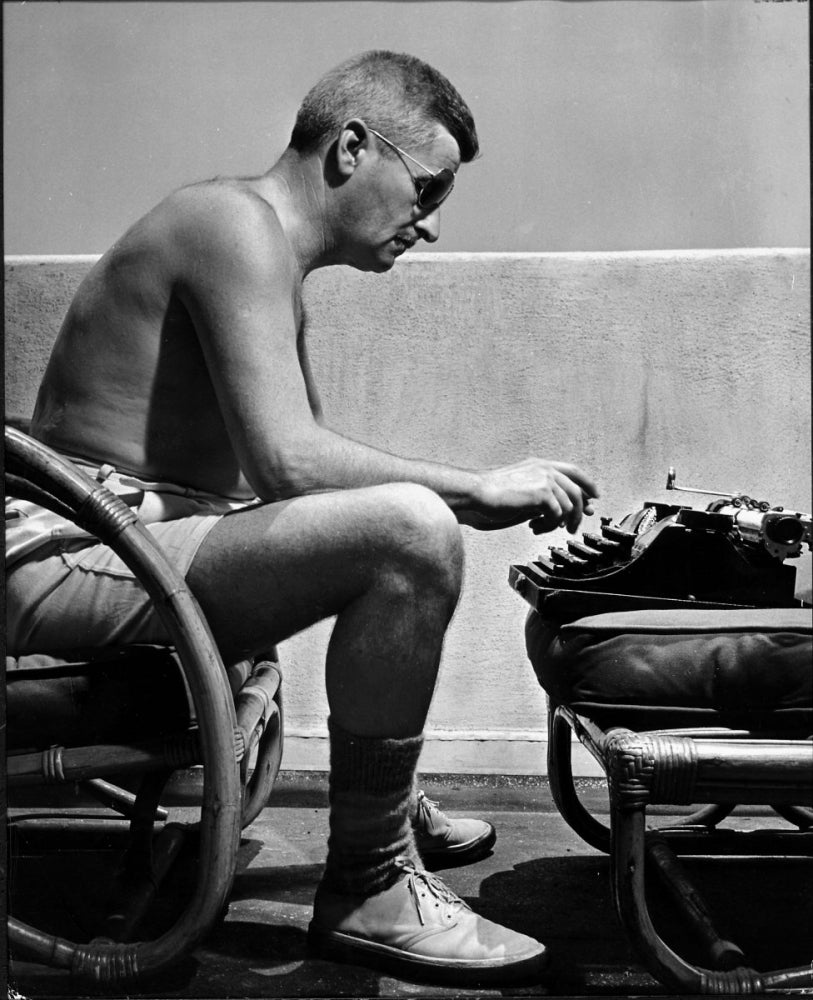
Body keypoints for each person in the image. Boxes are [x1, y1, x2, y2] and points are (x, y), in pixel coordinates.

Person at [6, 50, 599, 984]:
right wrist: (477, 488)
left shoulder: (265, 252)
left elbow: (299, 481)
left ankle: (383, 808)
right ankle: (370, 881)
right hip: (67, 553)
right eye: (429, 186)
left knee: (391, 525)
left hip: (134, 543)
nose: (432, 223)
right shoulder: (228, 223)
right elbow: (290, 462)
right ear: (353, 147)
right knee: (410, 532)